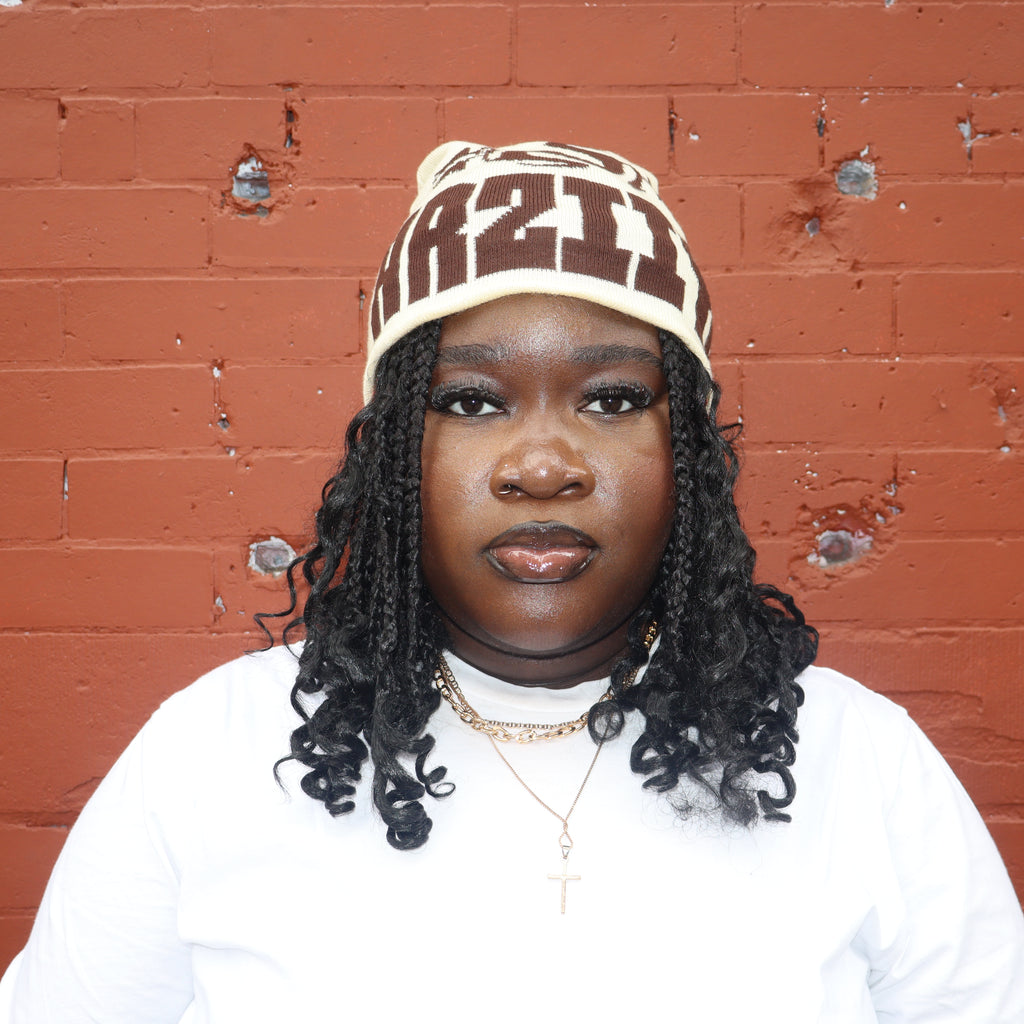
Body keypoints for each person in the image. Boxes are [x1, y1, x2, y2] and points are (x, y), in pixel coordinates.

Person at [2, 140, 1022, 1023]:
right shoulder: (214, 755)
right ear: (396, 451)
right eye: (475, 402)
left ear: (691, 460)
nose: (542, 463)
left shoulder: (864, 767)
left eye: (615, 397)